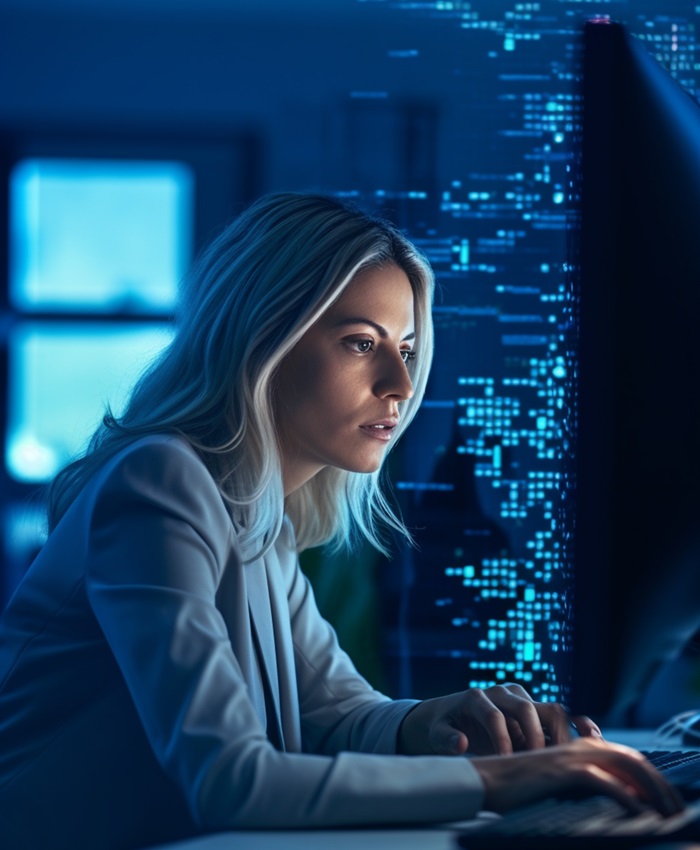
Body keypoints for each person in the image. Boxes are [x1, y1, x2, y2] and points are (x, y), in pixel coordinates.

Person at [0, 193, 682, 850]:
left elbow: (334, 716)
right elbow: (231, 781)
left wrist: (432, 721)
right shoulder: (159, 481)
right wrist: (501, 780)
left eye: (408, 350)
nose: (401, 385)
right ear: (262, 334)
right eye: (362, 343)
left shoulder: (255, 511)